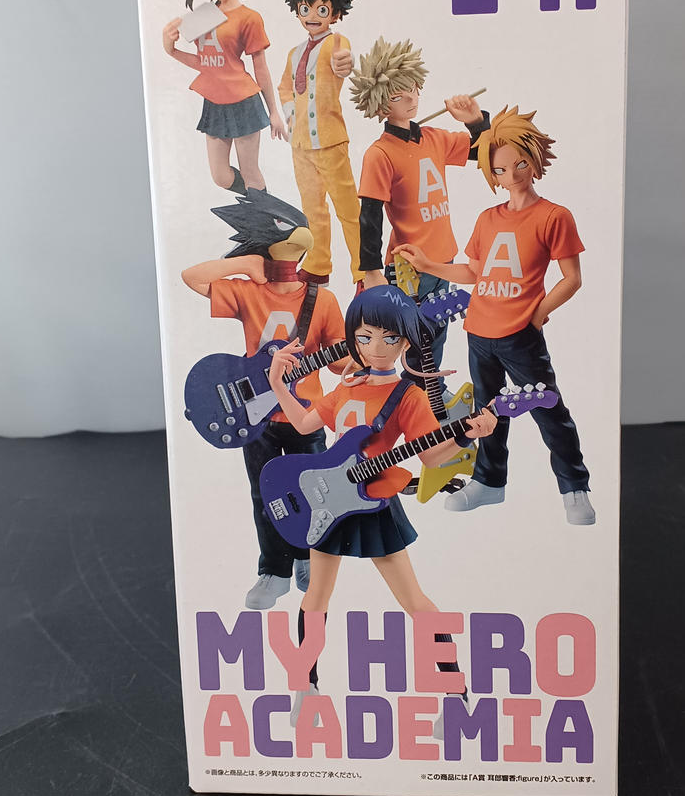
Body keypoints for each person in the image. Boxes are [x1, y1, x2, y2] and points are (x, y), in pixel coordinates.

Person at [265, 285, 497, 723]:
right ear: (353, 337)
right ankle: (306, 687)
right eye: (365, 337)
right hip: (329, 505)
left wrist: (468, 435)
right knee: (315, 598)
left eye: (390, 339)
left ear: (406, 343)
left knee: (414, 601)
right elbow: (304, 422)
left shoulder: (407, 396)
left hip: (373, 504)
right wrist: (278, 383)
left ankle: (455, 692)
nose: (376, 347)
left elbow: (431, 456)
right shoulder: (346, 387)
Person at [395, 106, 595, 526]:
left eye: (520, 164)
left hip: (519, 334)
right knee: (485, 413)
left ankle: (574, 487)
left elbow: (572, 279)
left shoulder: (554, 216)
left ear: (535, 160)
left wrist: (538, 314)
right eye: (501, 169)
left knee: (548, 409)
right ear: (491, 174)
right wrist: (428, 265)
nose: (513, 175)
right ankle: (488, 482)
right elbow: (473, 272)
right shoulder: (488, 218)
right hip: (478, 332)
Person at [181, 189, 348, 609]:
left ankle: (310, 560)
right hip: (255, 416)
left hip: (307, 414)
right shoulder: (248, 292)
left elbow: (338, 364)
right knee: (264, 494)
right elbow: (191, 276)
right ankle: (274, 570)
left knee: (315, 492)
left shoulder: (323, 299)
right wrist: (244, 265)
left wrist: (363, 354)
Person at [349, 37, 488, 368]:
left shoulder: (435, 138)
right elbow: (369, 216)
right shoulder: (380, 153)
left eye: (413, 88)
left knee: (435, 336)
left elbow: (484, 152)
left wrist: (475, 121)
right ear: (381, 105)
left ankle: (426, 397)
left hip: (444, 260)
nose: (412, 99)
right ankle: (403, 395)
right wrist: (370, 271)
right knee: (402, 341)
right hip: (408, 267)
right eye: (399, 95)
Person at [163, 0, 287, 193]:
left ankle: (262, 215)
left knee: (250, 171)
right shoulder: (204, 15)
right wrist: (171, 51)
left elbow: (260, 68)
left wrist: (274, 112)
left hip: (243, 101)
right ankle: (261, 209)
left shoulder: (249, 18)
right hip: (214, 101)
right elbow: (205, 63)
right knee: (220, 176)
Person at [277, 0, 362, 284]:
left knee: (348, 209)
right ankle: (318, 264)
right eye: (305, 9)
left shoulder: (337, 43)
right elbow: (285, 88)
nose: (313, 16)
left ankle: (363, 268)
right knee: (312, 208)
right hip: (300, 146)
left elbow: (343, 61)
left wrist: (344, 63)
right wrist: (290, 115)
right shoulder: (294, 53)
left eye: (322, 10)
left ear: (335, 13)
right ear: (296, 9)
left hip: (330, 141)